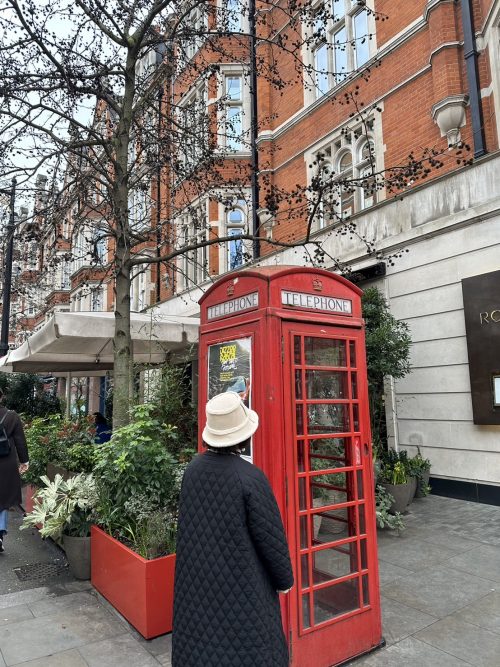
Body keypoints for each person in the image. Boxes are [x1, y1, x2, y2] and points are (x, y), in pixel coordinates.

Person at [172, 392, 294, 667]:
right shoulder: (249, 477)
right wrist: (285, 581)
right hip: (243, 590)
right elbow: (271, 539)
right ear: (244, 436)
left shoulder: (192, 469)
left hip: (197, 589)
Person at [0, 389, 29, 553]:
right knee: (3, 500)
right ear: (2, 397)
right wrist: (24, 461)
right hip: (6, 464)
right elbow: (20, 441)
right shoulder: (12, 416)